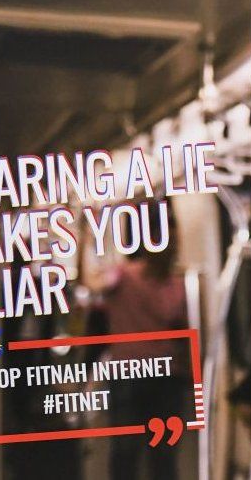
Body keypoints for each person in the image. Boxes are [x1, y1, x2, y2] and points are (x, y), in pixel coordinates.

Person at [100, 201, 192, 480]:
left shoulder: (177, 285)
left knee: (164, 456)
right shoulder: (123, 275)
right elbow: (90, 285)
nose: (173, 248)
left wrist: (190, 375)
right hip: (129, 374)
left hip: (167, 378)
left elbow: (183, 333)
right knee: (126, 453)